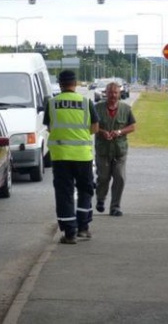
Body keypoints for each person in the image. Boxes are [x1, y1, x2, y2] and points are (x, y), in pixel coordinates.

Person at [44, 70, 99, 244]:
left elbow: (50, 128)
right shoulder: (86, 102)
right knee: (85, 190)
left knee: (64, 193)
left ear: (60, 84)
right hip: (82, 155)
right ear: (75, 84)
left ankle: (69, 233)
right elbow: (95, 128)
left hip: (61, 157)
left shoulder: (52, 103)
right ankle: (83, 228)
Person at [95, 81, 136, 217]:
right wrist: (102, 132)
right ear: (105, 93)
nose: (113, 95)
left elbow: (132, 127)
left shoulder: (126, 108)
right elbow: (92, 127)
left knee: (119, 177)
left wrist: (119, 132)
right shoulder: (97, 108)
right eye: (110, 92)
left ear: (119, 94)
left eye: (115, 92)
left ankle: (115, 206)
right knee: (103, 177)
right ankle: (100, 199)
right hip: (103, 150)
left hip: (119, 150)